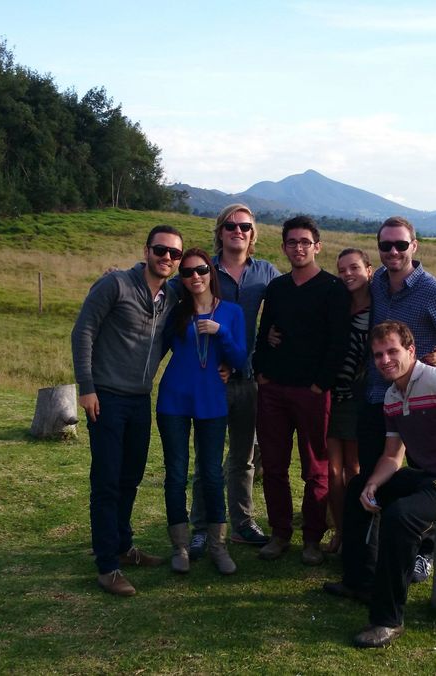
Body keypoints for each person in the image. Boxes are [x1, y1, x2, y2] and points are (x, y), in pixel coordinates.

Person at [323, 321, 436, 648]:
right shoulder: (393, 396)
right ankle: (359, 582)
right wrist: (373, 484)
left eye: (392, 351)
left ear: (410, 351)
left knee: (401, 516)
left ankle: (387, 620)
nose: (385, 359)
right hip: (430, 477)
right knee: (356, 488)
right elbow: (393, 456)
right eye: (378, 354)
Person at [357, 215, 436, 583]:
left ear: (414, 246)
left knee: (425, 477)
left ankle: (424, 552)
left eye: (400, 245)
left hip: (419, 402)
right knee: (377, 477)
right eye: (385, 245)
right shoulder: (375, 285)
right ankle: (372, 558)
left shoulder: (432, 291)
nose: (393, 251)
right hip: (378, 395)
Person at [71, 225, 183, 597]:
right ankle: (107, 566)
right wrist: (86, 388)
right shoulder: (116, 285)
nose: (167, 258)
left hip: (139, 400)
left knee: (131, 476)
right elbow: (83, 331)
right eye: (160, 250)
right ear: (146, 250)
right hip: (105, 396)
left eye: (174, 254)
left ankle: (123, 544)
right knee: (106, 481)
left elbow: (209, 278)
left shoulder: (170, 297)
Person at [252, 215, 350, 565]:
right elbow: (264, 335)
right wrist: (261, 372)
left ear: (317, 246)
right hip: (274, 389)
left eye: (305, 242)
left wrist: (319, 384)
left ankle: (311, 537)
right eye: (292, 242)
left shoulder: (332, 289)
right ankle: (280, 534)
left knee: (316, 468)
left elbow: (339, 343)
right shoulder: (276, 288)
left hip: (311, 393)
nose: (298, 247)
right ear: (283, 247)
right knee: (275, 466)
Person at [186, 205, 280, 559]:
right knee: (207, 457)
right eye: (230, 225)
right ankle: (200, 527)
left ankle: (242, 522)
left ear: (253, 234)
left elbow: (290, 306)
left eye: (245, 226)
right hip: (211, 377)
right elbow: (176, 303)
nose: (237, 231)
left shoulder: (267, 272)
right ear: (220, 231)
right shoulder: (204, 269)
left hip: (249, 378)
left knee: (244, 457)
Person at [157, 249, 247, 575]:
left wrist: (220, 332)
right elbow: (152, 344)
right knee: (176, 474)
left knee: (211, 474)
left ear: (211, 273)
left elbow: (239, 360)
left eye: (201, 270)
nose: (195, 277)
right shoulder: (176, 313)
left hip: (212, 402)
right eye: (187, 272)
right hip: (173, 401)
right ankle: (180, 546)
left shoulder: (232, 313)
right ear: (181, 279)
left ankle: (217, 546)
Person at [322, 248, 373, 554]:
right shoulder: (336, 301)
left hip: (361, 396)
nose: (347, 274)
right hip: (330, 392)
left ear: (369, 269)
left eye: (354, 268)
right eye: (342, 270)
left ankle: (354, 536)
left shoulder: (381, 306)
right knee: (330, 470)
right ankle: (340, 531)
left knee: (353, 468)